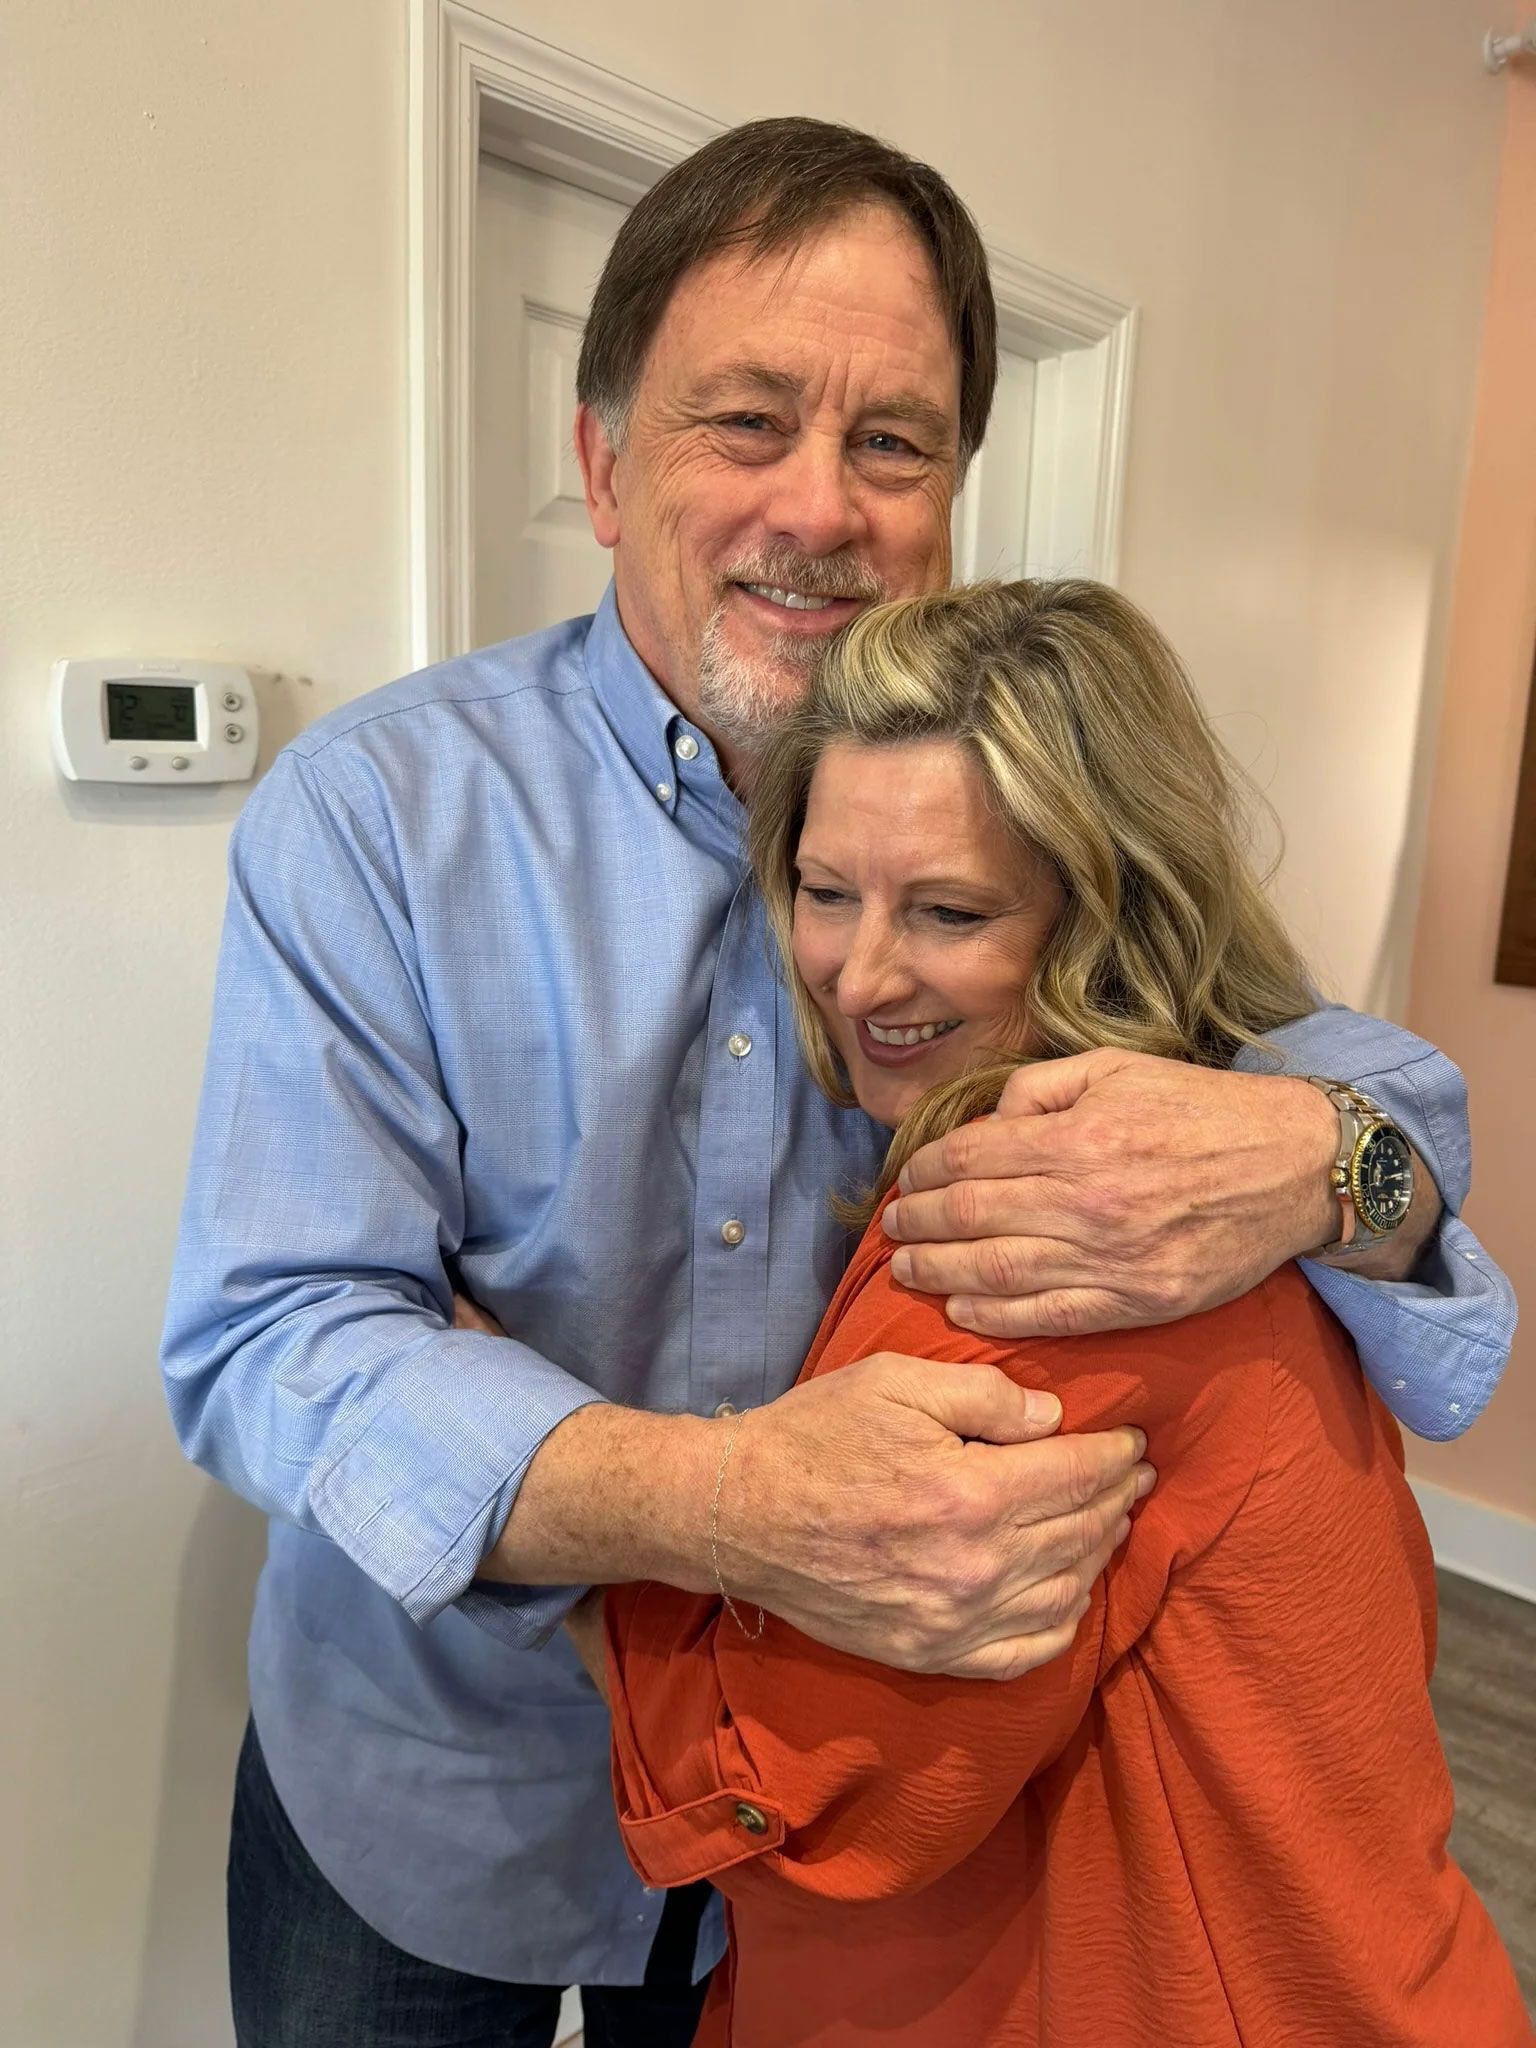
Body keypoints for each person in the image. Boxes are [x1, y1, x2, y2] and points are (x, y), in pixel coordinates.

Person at [160, 119, 1514, 2047]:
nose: (825, 506)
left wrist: (1330, 1154)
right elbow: (268, 1338)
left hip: (799, 1883)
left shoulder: (1027, 786)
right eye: (746, 422)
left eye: (894, 441)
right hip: (425, 1789)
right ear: (604, 459)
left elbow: (1330, 1085)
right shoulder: (378, 816)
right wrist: (720, 1504)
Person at [586, 578, 1532, 2048]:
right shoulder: (1225, 1150)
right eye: (825, 891)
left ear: (1109, 913)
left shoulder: (1040, 1241)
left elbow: (790, 1789)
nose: (861, 972)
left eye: (951, 911)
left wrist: (581, 1529)